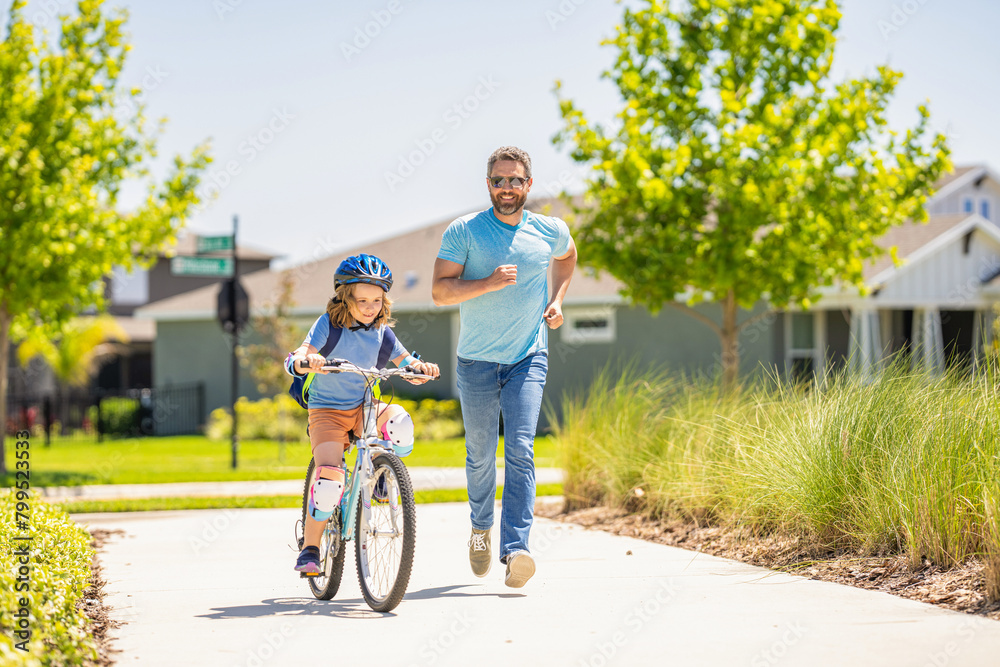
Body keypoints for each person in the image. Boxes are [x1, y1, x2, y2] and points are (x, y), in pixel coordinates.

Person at [431, 146, 577, 587]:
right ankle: (480, 528)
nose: (507, 188)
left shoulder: (549, 230)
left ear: (529, 184)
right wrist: (488, 283)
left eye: (515, 180)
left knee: (520, 449)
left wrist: (557, 301)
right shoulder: (466, 231)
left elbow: (568, 256)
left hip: (526, 357)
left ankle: (517, 550)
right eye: (499, 180)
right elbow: (439, 292)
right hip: (475, 361)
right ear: (488, 185)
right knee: (480, 456)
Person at [285, 253, 440, 574]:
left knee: (401, 421)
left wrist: (419, 369)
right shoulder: (329, 325)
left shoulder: (382, 332)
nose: (370, 307)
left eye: (377, 299)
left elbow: (406, 361)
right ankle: (310, 548)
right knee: (329, 482)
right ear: (345, 298)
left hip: (366, 408)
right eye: (362, 300)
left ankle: (383, 475)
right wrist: (305, 361)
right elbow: (301, 353)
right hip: (327, 411)